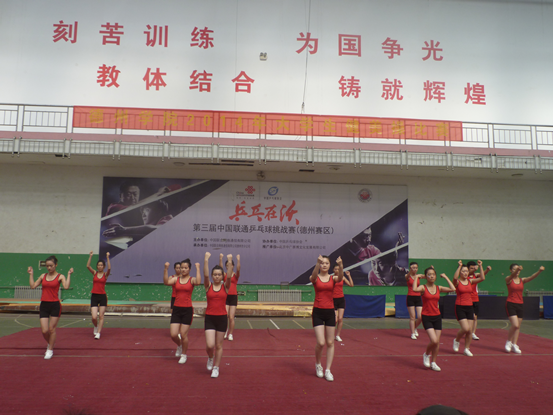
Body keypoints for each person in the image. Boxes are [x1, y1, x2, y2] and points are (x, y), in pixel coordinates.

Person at [27, 256, 73, 359]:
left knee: (52, 329)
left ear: (56, 265)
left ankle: (50, 349)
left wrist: (69, 275)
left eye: (51, 266)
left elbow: (66, 287)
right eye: (47, 266)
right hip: (44, 305)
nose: (49, 268)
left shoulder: (60, 276)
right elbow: (33, 286)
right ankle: (51, 343)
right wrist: (31, 274)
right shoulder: (43, 276)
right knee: (44, 330)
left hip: (55, 305)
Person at [411, 267, 455, 371]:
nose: (432, 276)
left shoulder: (439, 288)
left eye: (433, 274)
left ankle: (434, 362)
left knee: (437, 342)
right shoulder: (423, 288)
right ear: (426, 276)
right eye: (429, 274)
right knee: (434, 341)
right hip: (426, 316)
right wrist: (417, 277)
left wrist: (446, 277)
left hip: (437, 316)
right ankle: (426, 354)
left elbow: (453, 289)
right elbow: (414, 289)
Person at [310, 255, 344, 382]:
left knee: (330, 342)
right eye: (322, 263)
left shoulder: (333, 278)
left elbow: (340, 277)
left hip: (330, 312)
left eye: (326, 263)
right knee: (321, 342)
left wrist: (340, 265)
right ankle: (318, 364)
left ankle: (328, 370)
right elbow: (313, 277)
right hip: (318, 312)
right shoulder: (315, 278)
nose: (324, 265)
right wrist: (317, 263)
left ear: (330, 265)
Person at [164, 259, 201, 364]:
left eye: (185, 268)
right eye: (182, 268)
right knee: (173, 334)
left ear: (189, 269)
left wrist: (198, 268)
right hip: (176, 309)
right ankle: (180, 345)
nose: (183, 269)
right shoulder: (176, 279)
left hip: (187, 310)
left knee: (183, 334)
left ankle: (184, 354)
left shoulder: (192, 280)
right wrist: (165, 269)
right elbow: (166, 282)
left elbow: (198, 282)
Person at [203, 252, 233, 378]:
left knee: (219, 345)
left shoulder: (225, 287)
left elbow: (229, 276)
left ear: (222, 276)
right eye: (214, 274)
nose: (216, 276)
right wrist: (206, 260)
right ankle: (210, 357)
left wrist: (229, 261)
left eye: (219, 275)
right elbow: (205, 275)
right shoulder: (208, 286)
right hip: (210, 318)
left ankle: (216, 367)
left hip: (221, 318)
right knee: (210, 345)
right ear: (212, 276)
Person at [505, 264, 545, 354]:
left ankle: (514, 344)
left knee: (518, 326)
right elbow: (512, 275)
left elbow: (531, 277)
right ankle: (508, 342)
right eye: (514, 269)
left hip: (520, 304)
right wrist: (517, 269)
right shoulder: (508, 279)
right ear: (511, 270)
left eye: (518, 270)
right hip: (511, 303)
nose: (517, 271)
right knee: (515, 325)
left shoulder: (522, 280)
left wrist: (539, 271)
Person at [452, 260, 486, 357]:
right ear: (460, 272)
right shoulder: (457, 282)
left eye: (467, 271)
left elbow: (482, 278)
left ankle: (466, 349)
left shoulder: (470, 281)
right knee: (465, 328)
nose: (465, 273)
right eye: (463, 271)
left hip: (469, 306)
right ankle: (457, 340)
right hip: (460, 307)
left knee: (470, 331)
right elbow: (454, 278)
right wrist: (459, 266)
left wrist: (480, 266)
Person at [102, 200, 173, 239]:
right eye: (142, 212)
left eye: (147, 210)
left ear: (158, 211)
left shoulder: (168, 219)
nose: (143, 215)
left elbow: (156, 229)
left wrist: (125, 230)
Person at [86, 251, 111, 339]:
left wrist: (107, 257)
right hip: (94, 296)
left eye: (101, 265)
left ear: (103, 266)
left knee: (101, 316)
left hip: (102, 297)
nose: (100, 266)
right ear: (97, 266)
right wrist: (90, 256)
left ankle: (98, 333)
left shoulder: (105, 274)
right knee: (94, 317)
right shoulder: (94, 273)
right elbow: (88, 266)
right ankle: (96, 326)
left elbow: (109, 268)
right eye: (98, 265)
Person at [466, 260, 491, 340]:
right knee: (471, 317)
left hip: (475, 298)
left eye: (474, 268)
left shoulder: (475, 275)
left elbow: (483, 275)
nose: (473, 269)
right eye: (471, 268)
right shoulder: (465, 276)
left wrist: (484, 268)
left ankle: (473, 333)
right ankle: (468, 331)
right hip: (467, 299)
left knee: (475, 317)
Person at [405, 262, 425, 339]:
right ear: (410, 268)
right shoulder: (407, 276)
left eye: (416, 268)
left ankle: (415, 327)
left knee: (420, 316)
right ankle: (412, 333)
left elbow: (427, 276)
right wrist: (411, 271)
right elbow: (407, 276)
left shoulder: (418, 276)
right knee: (412, 317)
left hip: (418, 297)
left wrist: (431, 270)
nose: (415, 269)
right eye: (413, 268)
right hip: (410, 297)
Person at [333, 267, 353, 342]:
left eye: (338, 269)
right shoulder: (331, 278)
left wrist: (349, 275)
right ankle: (331, 334)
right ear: (333, 270)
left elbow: (351, 285)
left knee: (340, 319)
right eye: (335, 269)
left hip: (341, 299)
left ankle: (337, 335)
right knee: (335, 319)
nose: (337, 270)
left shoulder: (343, 278)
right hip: (333, 300)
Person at [224, 254, 241, 341]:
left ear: (232, 266)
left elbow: (238, 269)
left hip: (233, 297)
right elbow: (220, 267)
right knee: (224, 315)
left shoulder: (235, 275)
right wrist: (220, 259)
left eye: (230, 265)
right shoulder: (224, 275)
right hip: (225, 296)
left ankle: (230, 334)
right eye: (227, 265)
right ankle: (225, 331)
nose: (228, 266)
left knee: (231, 317)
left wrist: (238, 259)